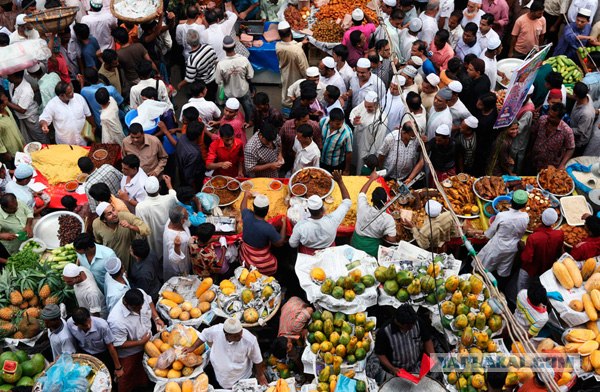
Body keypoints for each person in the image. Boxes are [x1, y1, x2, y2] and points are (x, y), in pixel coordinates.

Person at [107, 288, 164, 391]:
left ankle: (143, 387)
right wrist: (140, 342)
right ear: (126, 303)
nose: (140, 309)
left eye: (141, 306)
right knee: (127, 376)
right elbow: (118, 343)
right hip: (130, 353)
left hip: (148, 343)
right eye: (137, 308)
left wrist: (156, 318)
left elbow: (150, 302)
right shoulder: (116, 321)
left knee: (145, 371)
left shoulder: (140, 293)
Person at [184, 317, 267, 388]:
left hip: (242, 377)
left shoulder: (249, 340)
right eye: (236, 335)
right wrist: (192, 348)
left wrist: (260, 375)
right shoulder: (216, 331)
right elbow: (204, 335)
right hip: (221, 377)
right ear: (226, 334)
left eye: (240, 333)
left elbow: (257, 359)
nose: (240, 336)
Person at [477, 190, 529, 288]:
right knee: (503, 270)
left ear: (511, 202)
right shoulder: (525, 217)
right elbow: (521, 233)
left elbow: (489, 233)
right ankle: (496, 287)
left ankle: (482, 284)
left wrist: (484, 234)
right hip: (512, 248)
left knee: (485, 267)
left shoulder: (502, 215)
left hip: (497, 246)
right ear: (524, 205)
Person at [289, 171, 351, 255]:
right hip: (329, 252)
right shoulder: (333, 220)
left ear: (308, 210)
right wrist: (340, 181)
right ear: (323, 209)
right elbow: (347, 201)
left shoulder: (300, 226)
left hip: (308, 253)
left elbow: (292, 244)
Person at [373, 304, 434, 379]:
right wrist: (392, 368)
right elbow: (380, 354)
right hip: (397, 372)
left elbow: (427, 339)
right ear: (400, 324)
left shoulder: (417, 322)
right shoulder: (384, 332)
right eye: (409, 327)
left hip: (416, 367)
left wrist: (433, 357)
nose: (412, 328)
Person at [93, 202, 151, 272]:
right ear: (104, 220)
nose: (114, 214)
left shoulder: (126, 216)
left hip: (131, 261)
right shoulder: (96, 224)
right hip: (113, 262)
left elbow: (146, 230)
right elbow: (99, 242)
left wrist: (130, 226)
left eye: (113, 210)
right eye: (109, 214)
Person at [67, 307, 123, 377]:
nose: (88, 326)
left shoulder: (102, 325)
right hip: (85, 353)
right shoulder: (70, 324)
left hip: (103, 354)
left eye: (89, 322)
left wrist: (118, 368)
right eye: (84, 325)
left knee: (108, 375)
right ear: (76, 324)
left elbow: (110, 347)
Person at [238, 193, 286, 275]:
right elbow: (280, 243)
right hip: (259, 260)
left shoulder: (247, 215)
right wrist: (284, 223)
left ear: (253, 207)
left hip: (245, 254)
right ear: (267, 210)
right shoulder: (268, 228)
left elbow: (243, 208)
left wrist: (245, 196)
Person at [351, 172, 397, 256]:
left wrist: (371, 179)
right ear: (386, 202)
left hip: (356, 243)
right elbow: (392, 239)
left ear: (371, 200)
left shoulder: (362, 207)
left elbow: (362, 193)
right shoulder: (388, 219)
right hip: (372, 248)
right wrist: (382, 234)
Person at [518, 208, 563, 292]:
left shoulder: (533, 238)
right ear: (554, 223)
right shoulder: (559, 234)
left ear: (541, 218)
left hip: (530, 269)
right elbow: (559, 251)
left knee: (522, 286)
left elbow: (526, 258)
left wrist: (522, 247)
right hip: (547, 267)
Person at [39, 81, 95, 145]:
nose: (73, 93)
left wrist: (93, 127)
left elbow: (88, 115)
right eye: (69, 93)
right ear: (61, 95)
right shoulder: (52, 105)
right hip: (65, 143)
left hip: (82, 140)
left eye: (72, 90)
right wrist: (44, 125)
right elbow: (43, 118)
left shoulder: (79, 98)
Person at [135, 175, 176, 259]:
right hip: (168, 237)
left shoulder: (140, 207)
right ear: (160, 187)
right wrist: (169, 184)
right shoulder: (168, 199)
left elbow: (140, 228)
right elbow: (173, 195)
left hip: (152, 241)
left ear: (145, 189)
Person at [215, 36, 254, 122]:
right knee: (248, 109)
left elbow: (218, 81)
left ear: (223, 48)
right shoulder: (244, 60)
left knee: (231, 112)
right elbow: (250, 76)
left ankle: (234, 125)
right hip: (243, 90)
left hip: (229, 93)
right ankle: (248, 123)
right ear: (235, 46)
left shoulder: (221, 64)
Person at [349, 91, 388, 174]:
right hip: (356, 141)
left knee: (360, 170)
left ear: (377, 104)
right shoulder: (365, 104)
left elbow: (378, 141)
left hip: (366, 149)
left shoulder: (381, 118)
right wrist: (354, 121)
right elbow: (354, 112)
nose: (367, 109)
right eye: (366, 106)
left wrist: (371, 156)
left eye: (370, 107)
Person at [530, 103, 575, 171]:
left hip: (550, 167)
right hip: (535, 160)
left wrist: (562, 164)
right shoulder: (542, 120)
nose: (548, 117)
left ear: (560, 118)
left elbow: (571, 148)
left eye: (552, 117)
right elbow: (533, 133)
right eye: (549, 114)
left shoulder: (567, 131)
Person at [6, 70, 48, 144]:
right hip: (22, 117)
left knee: (39, 136)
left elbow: (22, 110)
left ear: (16, 77)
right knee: (28, 136)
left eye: (9, 76)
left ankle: (47, 148)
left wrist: (6, 102)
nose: (7, 77)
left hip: (30, 116)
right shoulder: (12, 83)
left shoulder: (26, 90)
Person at [177, 29, 218, 101]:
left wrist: (180, 84)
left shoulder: (192, 60)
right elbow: (215, 61)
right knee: (212, 99)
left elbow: (189, 79)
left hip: (203, 85)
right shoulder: (208, 47)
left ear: (188, 43)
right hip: (213, 80)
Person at [276, 22, 308, 110]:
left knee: (286, 91)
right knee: (295, 93)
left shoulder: (278, 46)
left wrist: (301, 43)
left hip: (285, 74)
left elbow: (288, 47)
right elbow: (304, 68)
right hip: (296, 76)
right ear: (290, 32)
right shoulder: (297, 51)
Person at [511, 85, 535, 174]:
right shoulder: (523, 103)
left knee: (515, 160)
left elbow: (518, 130)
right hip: (515, 139)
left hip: (518, 141)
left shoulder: (528, 112)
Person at [163, 205, 192, 281]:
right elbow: (173, 258)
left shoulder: (173, 220)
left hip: (187, 257)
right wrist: (177, 246)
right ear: (182, 220)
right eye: (186, 215)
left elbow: (187, 224)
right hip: (179, 266)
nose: (188, 215)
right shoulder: (171, 236)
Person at [320, 108, 353, 174]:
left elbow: (349, 152)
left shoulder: (347, 133)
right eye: (337, 124)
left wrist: (347, 169)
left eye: (342, 122)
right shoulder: (323, 122)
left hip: (336, 165)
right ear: (330, 121)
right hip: (321, 161)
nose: (340, 125)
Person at [571, 82, 596, 155]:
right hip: (573, 126)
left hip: (579, 142)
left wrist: (567, 129)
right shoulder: (586, 96)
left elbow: (580, 131)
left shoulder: (586, 113)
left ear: (575, 95)